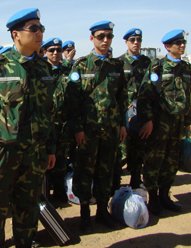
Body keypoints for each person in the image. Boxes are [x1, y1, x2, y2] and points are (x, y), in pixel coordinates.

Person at [0, 8, 56, 248]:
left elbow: (49, 113)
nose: (40, 34)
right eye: (34, 29)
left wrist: (50, 148)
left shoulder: (44, 68)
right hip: (2, 153)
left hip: (35, 152)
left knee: (28, 207)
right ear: (16, 34)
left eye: (41, 29)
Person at [65, 21, 128, 232]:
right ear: (91, 38)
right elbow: (72, 101)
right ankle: (84, 214)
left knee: (106, 172)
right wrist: (77, 129)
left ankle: (102, 211)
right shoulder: (81, 66)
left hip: (110, 130)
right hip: (88, 132)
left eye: (109, 36)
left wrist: (122, 125)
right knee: (84, 171)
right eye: (101, 36)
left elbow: (122, 98)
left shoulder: (116, 67)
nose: (105, 40)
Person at [138, 29, 191, 215]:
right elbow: (145, 96)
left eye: (183, 42)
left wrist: (187, 122)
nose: (182, 46)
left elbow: (188, 97)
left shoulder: (186, 68)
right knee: (154, 160)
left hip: (177, 125)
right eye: (178, 43)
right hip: (160, 124)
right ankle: (153, 199)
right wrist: (147, 121)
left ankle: (164, 196)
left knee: (171, 162)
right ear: (168, 46)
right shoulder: (158, 67)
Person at [113, 28, 152, 190]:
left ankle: (136, 181)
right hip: (124, 114)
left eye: (138, 39)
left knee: (138, 150)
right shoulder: (119, 63)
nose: (136, 43)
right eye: (132, 40)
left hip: (141, 114)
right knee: (119, 151)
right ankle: (114, 184)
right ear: (126, 42)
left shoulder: (147, 63)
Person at [42, 37, 73, 203]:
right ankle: (46, 197)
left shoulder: (68, 70)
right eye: (51, 50)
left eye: (58, 50)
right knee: (45, 162)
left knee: (61, 161)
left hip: (63, 125)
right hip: (46, 125)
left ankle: (60, 195)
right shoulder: (41, 70)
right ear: (45, 52)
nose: (55, 53)